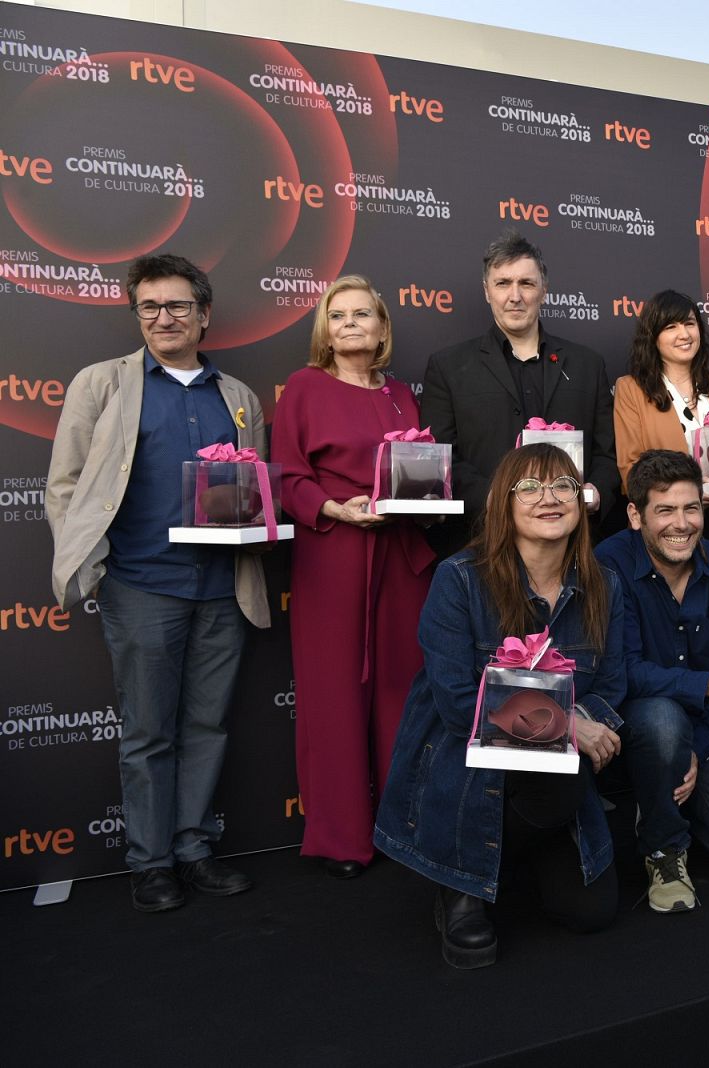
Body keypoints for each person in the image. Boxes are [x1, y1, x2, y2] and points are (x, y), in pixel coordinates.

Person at [47, 253, 264, 912]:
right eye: (150, 307)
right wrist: (93, 567)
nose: (163, 318)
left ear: (203, 315)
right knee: (148, 732)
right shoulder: (100, 384)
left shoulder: (240, 397)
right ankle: (150, 862)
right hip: (140, 586)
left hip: (223, 588)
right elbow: (64, 485)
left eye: (176, 306)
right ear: (138, 314)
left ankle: (194, 848)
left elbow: (253, 492)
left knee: (207, 725)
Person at [374, 445, 627, 969]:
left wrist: (582, 721)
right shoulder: (459, 578)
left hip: (550, 776)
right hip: (470, 757)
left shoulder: (605, 583)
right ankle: (459, 880)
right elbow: (455, 701)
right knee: (563, 764)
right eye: (529, 488)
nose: (548, 499)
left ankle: (508, 852)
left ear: (581, 502)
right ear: (502, 505)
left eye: (562, 486)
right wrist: (566, 725)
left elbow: (613, 684)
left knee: (591, 913)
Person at [273, 276, 436, 878]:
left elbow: (420, 471)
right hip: (333, 552)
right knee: (334, 695)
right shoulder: (304, 388)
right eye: (337, 315)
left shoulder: (400, 394)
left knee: (404, 688)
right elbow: (287, 475)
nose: (349, 324)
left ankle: (404, 828)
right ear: (325, 329)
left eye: (362, 314)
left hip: (401, 557)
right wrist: (335, 509)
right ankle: (342, 838)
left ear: (382, 325)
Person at [595, 451, 709, 911]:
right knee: (661, 719)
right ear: (636, 515)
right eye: (665, 510)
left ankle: (662, 798)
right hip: (638, 726)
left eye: (691, 508)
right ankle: (664, 847)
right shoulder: (608, 564)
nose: (681, 524)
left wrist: (697, 747)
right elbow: (621, 674)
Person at [419, 230, 618, 554]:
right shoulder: (448, 367)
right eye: (503, 283)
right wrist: (495, 498)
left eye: (526, 283)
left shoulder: (587, 365)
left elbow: (607, 453)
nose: (515, 296)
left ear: (544, 289)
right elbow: (441, 457)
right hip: (484, 545)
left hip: (573, 546)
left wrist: (595, 491)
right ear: (487, 291)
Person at [612, 289, 709, 564]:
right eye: (671, 327)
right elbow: (631, 469)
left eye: (689, 324)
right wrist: (694, 490)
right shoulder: (631, 390)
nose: (684, 334)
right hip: (666, 528)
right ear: (653, 336)